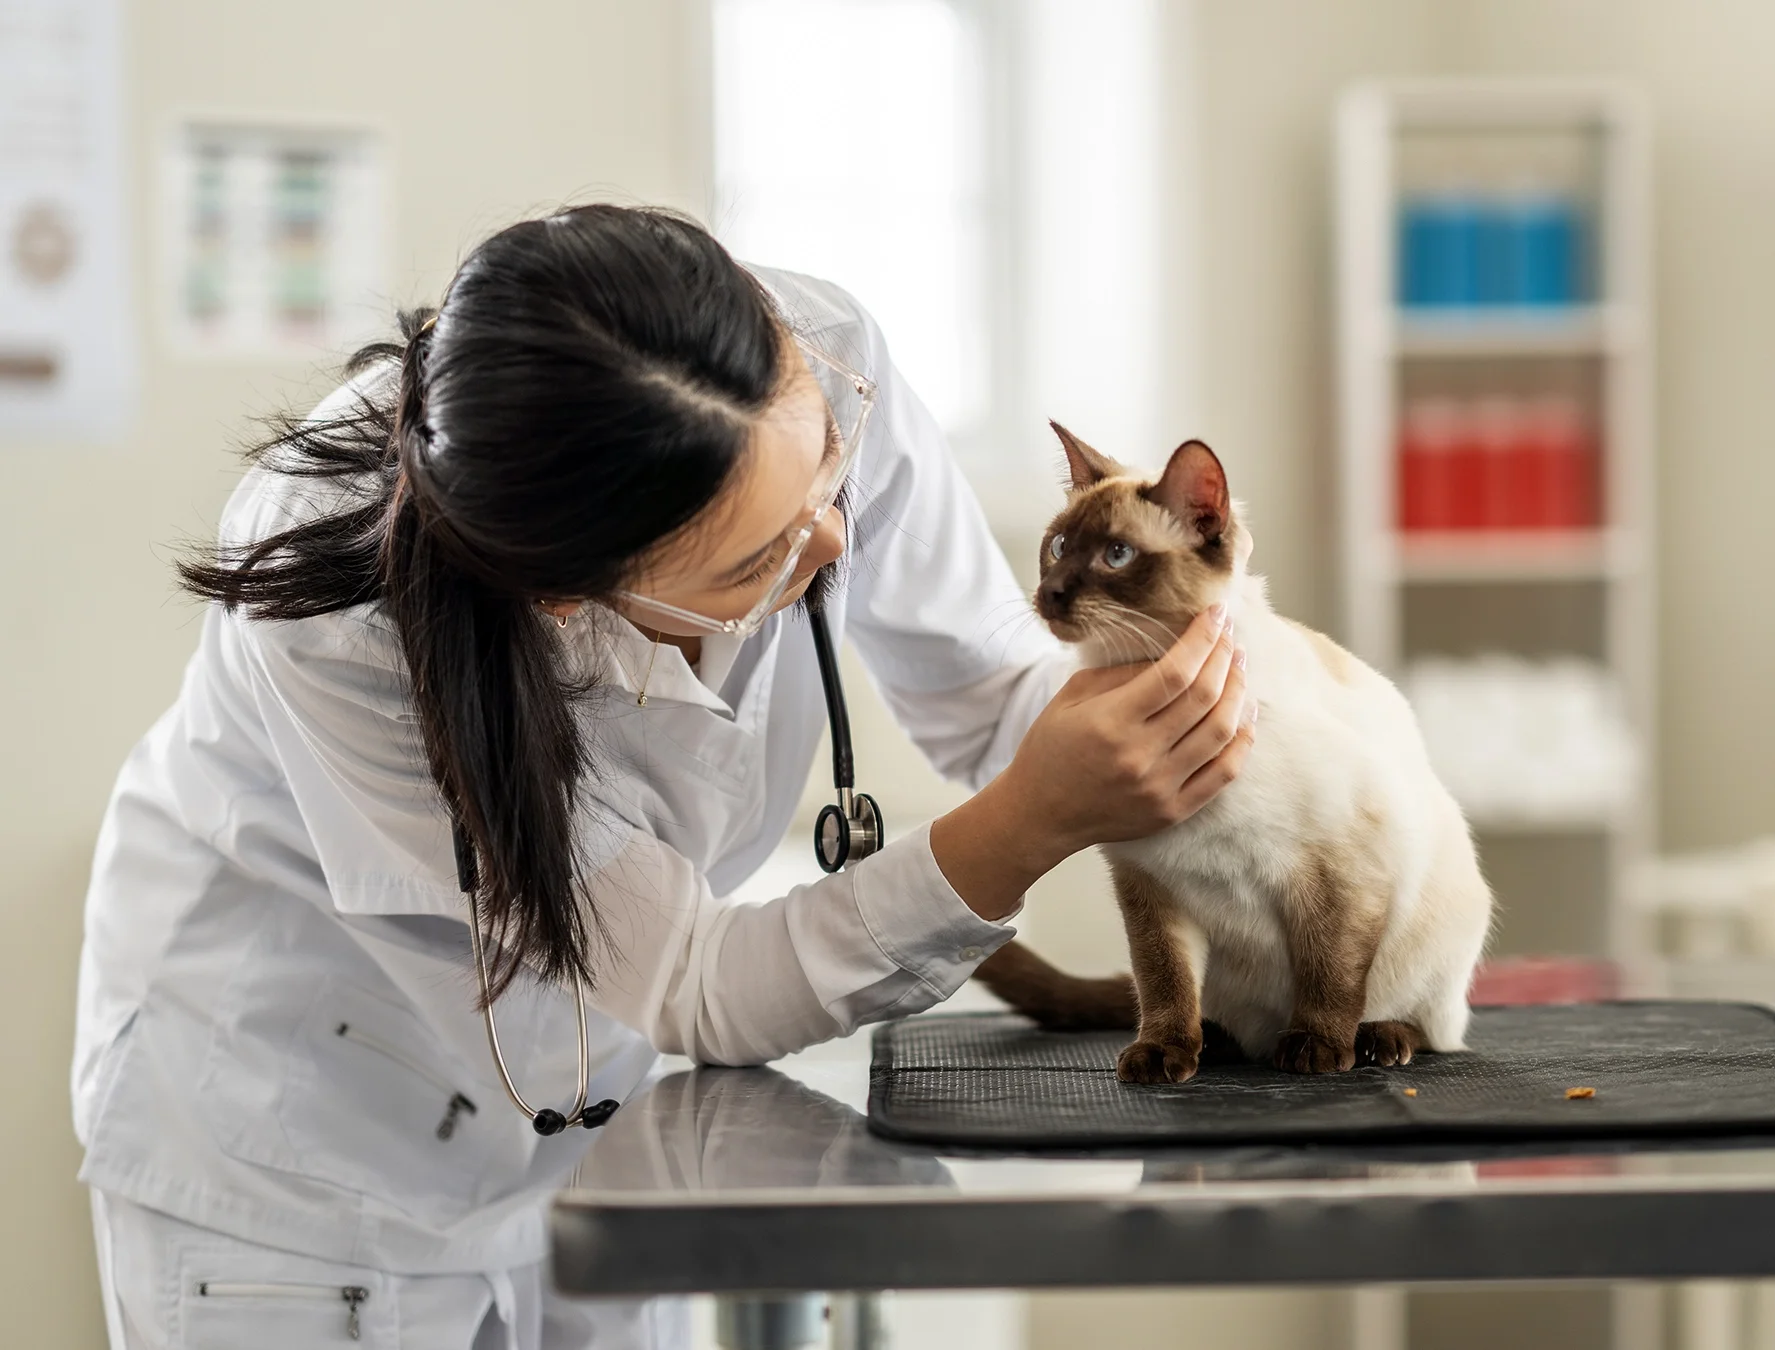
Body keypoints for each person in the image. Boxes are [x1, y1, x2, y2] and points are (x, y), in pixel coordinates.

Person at [72, 204, 1256, 1348]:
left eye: (828, 476)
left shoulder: (810, 365)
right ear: (569, 598)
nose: (835, 539)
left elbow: (1002, 695)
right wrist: (1026, 823)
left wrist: (1296, 876)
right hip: (300, 1144)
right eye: (767, 554)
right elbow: (695, 978)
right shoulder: (350, 631)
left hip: (596, 1123)